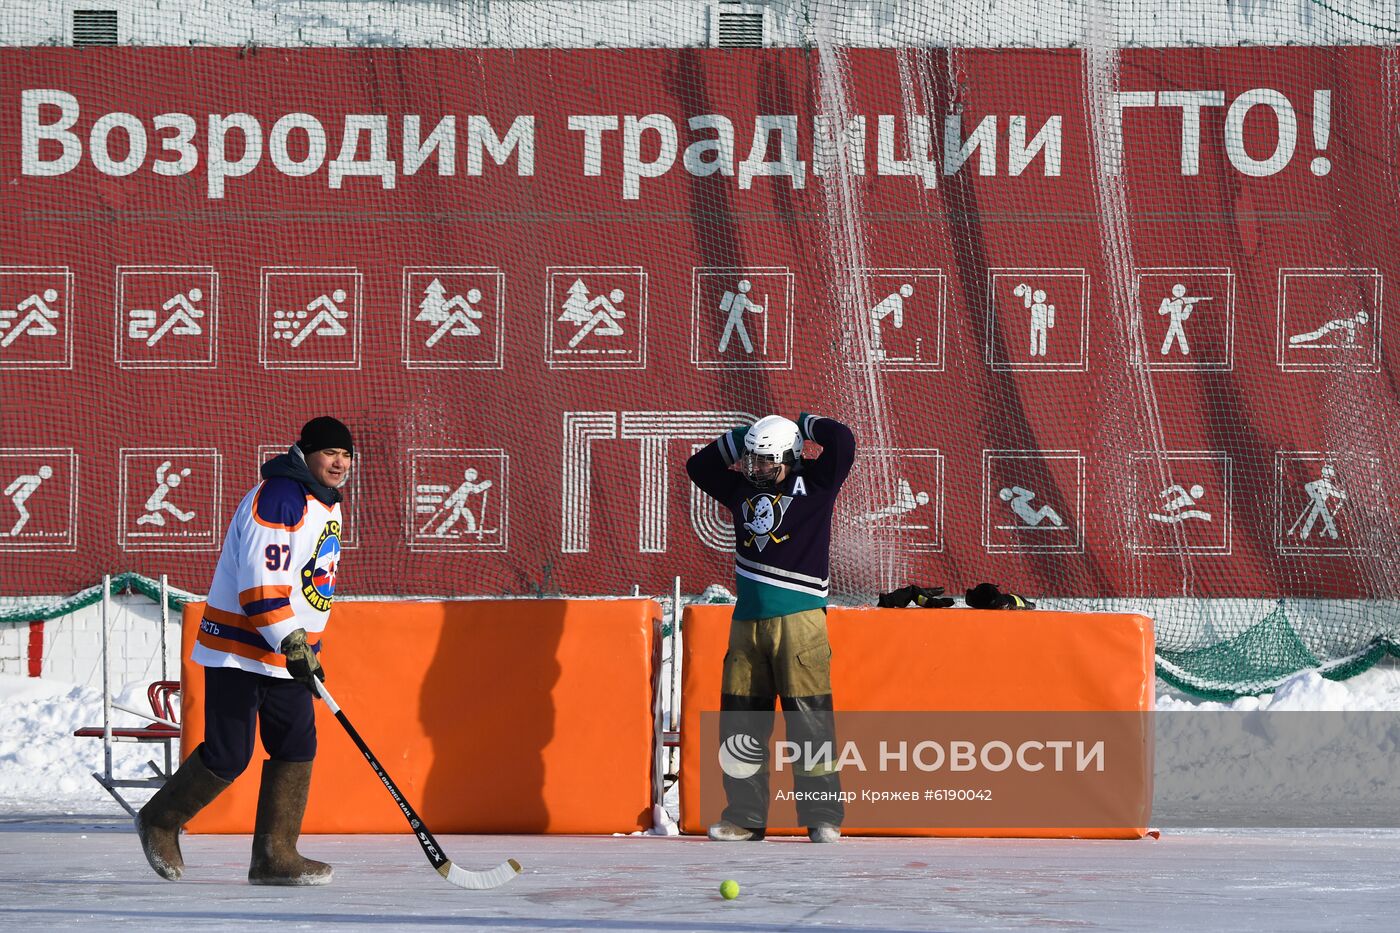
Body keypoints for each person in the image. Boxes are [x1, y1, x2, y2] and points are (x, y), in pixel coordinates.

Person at [135, 416, 354, 885]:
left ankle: (276, 855)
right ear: (306, 452)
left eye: (346, 455)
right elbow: (261, 582)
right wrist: (292, 640)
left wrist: (307, 646)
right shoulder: (279, 497)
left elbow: (310, 586)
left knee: (296, 746)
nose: (339, 462)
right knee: (230, 753)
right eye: (330, 452)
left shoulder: (326, 502)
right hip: (239, 647)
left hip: (283, 652)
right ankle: (159, 819)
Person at [687, 412, 855, 844]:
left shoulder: (815, 485)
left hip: (801, 624)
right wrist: (749, 435)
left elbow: (842, 440)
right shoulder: (740, 488)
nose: (757, 470)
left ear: (793, 456)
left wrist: (802, 422)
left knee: (810, 723)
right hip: (746, 625)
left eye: (766, 461)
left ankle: (822, 817)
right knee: (740, 724)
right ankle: (744, 817)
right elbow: (699, 467)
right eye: (752, 462)